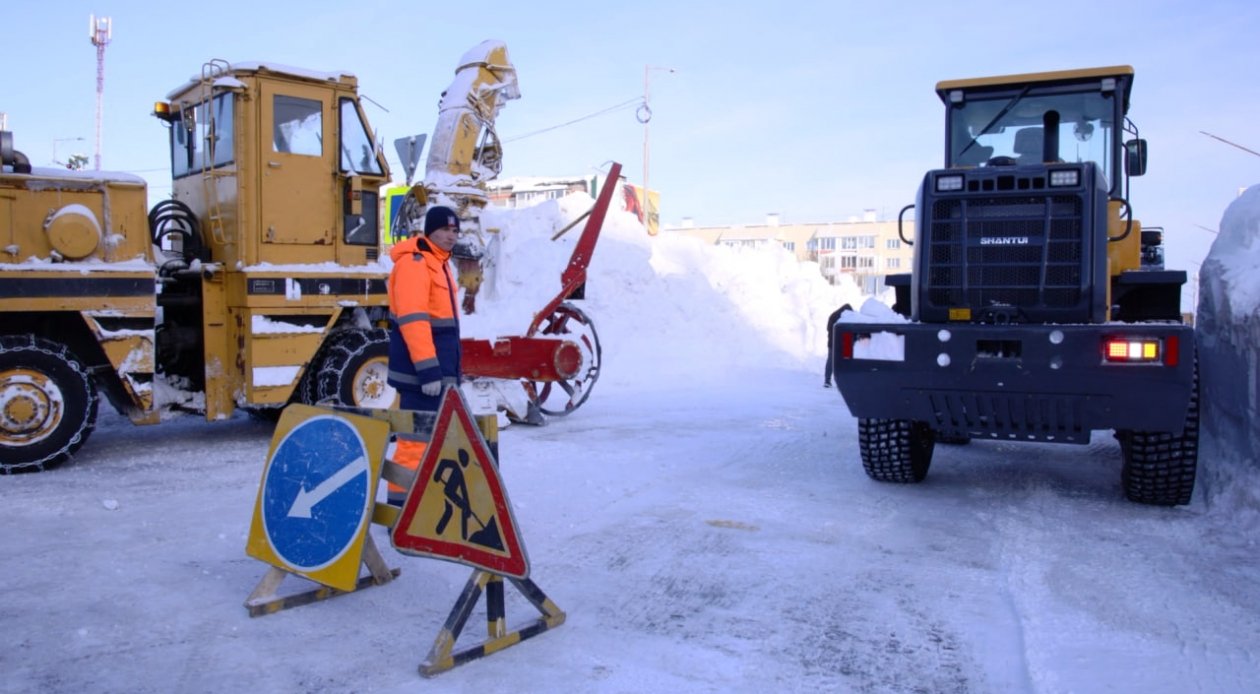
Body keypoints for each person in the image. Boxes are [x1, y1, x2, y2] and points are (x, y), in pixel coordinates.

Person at [385, 205, 464, 505]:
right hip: (421, 376)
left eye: (455, 230)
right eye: (445, 229)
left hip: (439, 373)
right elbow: (413, 320)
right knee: (414, 442)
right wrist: (428, 370)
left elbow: (445, 326)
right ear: (430, 231)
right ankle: (399, 509)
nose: (450, 236)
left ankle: (420, 503)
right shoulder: (416, 264)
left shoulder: (439, 263)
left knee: (435, 439)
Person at [824, 303, 852, 388]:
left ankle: (827, 380)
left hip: (835, 342)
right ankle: (846, 380)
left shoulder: (833, 316)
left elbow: (828, 328)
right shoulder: (847, 317)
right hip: (843, 342)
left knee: (831, 361)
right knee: (846, 361)